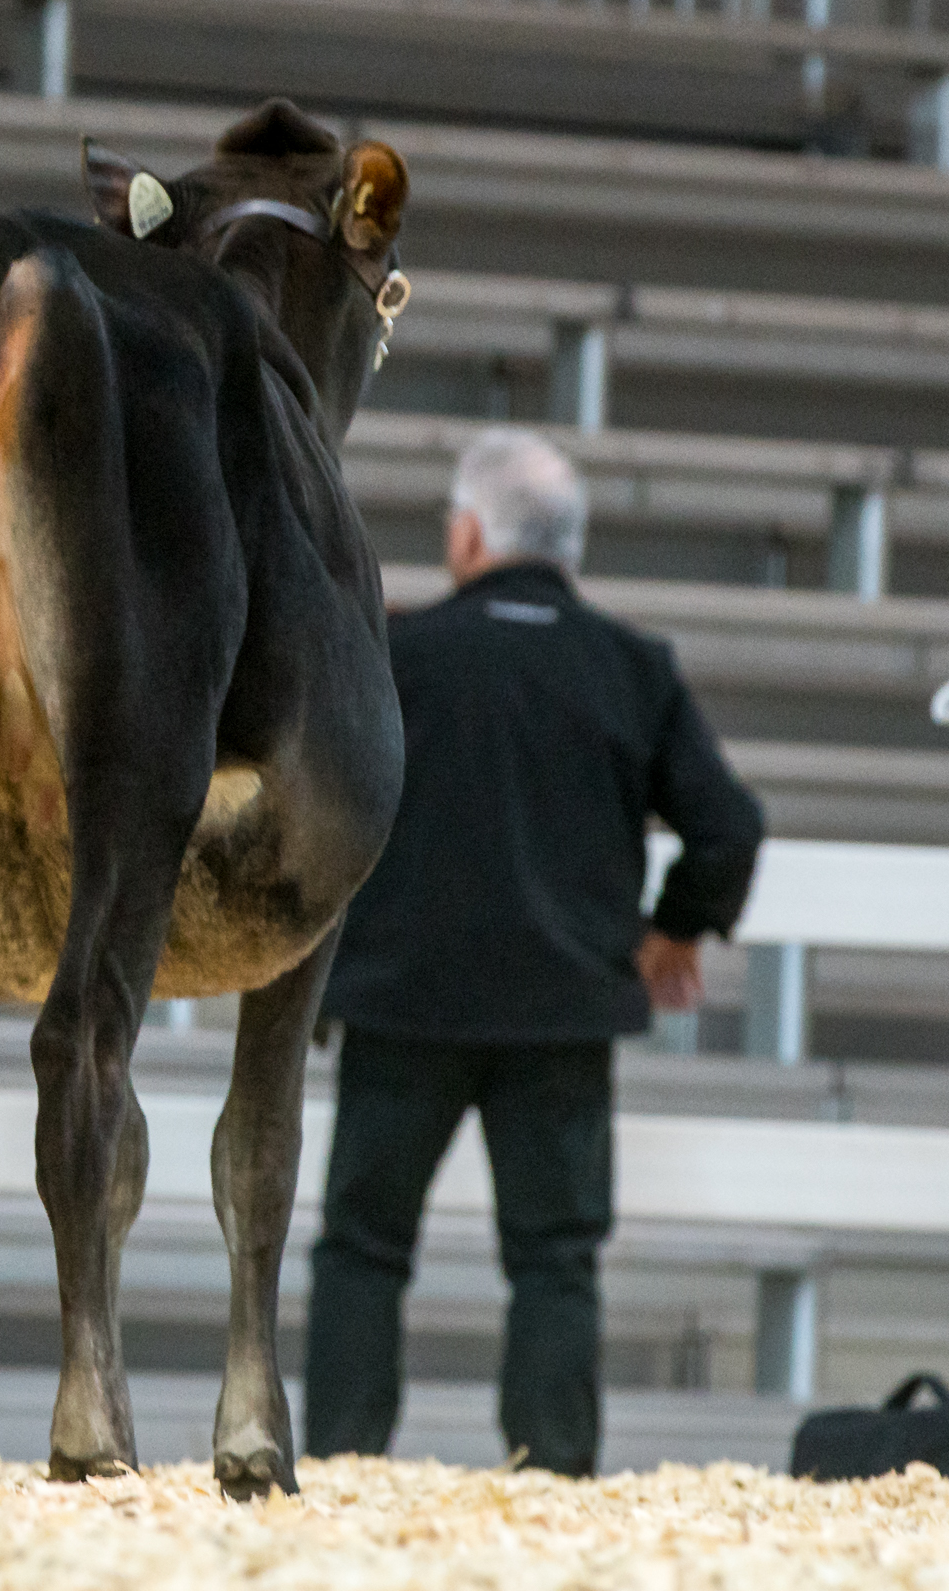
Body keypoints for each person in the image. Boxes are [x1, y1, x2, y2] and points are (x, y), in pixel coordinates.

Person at [302, 429, 764, 1477]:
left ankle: (341, 1464)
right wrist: (674, 929)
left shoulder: (396, 652)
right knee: (555, 1259)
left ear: (469, 534)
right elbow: (729, 826)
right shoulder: (632, 668)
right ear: (568, 544)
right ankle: (552, 1473)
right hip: (563, 1012)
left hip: (402, 1004)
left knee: (363, 1249)